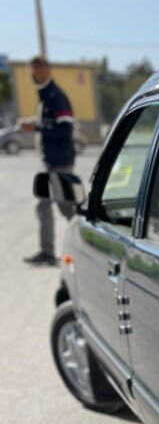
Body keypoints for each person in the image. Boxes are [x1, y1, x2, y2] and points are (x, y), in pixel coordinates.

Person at [18, 56, 76, 266]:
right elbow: (52, 123)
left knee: (67, 208)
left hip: (60, 162)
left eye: (34, 71)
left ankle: (88, 243)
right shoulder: (45, 96)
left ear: (45, 70)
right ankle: (48, 252)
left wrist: (36, 127)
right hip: (51, 161)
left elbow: (65, 129)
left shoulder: (56, 96)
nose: (31, 76)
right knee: (47, 206)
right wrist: (35, 123)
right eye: (29, 72)